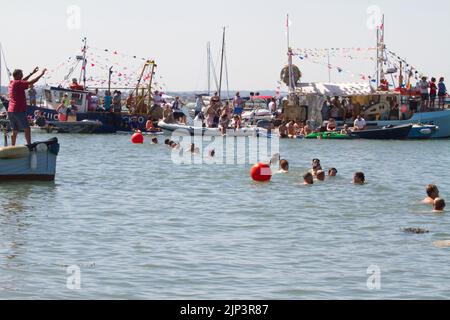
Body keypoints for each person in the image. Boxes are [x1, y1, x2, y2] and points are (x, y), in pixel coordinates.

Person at [8, 68, 47, 146]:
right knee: (27, 128)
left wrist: (31, 73)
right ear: (17, 75)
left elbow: (23, 80)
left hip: (10, 111)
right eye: (21, 74)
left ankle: (12, 147)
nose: (22, 75)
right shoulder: (18, 83)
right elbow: (31, 82)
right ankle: (29, 145)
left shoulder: (12, 82)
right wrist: (41, 74)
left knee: (14, 131)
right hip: (18, 110)